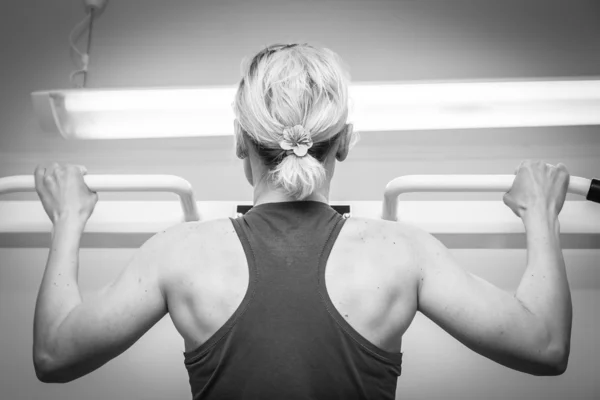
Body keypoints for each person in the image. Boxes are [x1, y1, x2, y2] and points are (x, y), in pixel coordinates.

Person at [32, 43, 572, 399]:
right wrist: (540, 214)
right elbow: (544, 346)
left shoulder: (179, 252)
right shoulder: (402, 253)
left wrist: (69, 219)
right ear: (345, 143)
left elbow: (55, 355)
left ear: (241, 141)